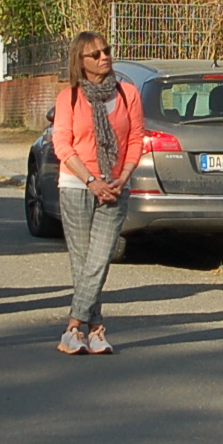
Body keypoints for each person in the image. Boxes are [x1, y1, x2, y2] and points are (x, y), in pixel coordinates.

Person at [52, 30, 144, 355]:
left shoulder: (128, 93)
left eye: (106, 51)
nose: (104, 57)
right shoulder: (69, 97)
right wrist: (91, 180)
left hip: (116, 184)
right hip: (78, 184)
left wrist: (123, 176)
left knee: (100, 257)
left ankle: (73, 327)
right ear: (81, 61)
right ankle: (94, 330)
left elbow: (136, 139)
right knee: (83, 262)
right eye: (95, 54)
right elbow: (62, 144)